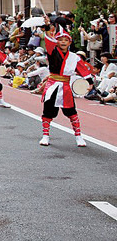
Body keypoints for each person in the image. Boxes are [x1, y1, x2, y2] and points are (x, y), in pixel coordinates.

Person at [38, 19, 93, 147]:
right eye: (60, 39)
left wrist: (90, 82)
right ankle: (45, 135)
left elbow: (83, 69)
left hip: (66, 87)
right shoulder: (52, 52)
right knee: (48, 111)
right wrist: (47, 27)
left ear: (69, 42)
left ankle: (78, 136)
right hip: (52, 85)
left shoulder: (74, 57)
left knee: (71, 112)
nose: (63, 42)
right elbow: (48, 41)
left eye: (66, 40)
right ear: (56, 42)